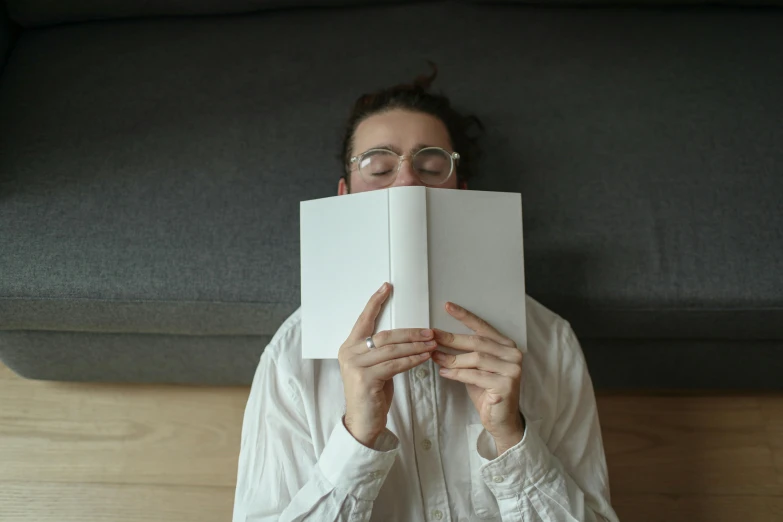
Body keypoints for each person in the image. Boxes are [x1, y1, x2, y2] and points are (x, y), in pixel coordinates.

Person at [232, 68, 619, 522]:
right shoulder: (293, 356)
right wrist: (357, 436)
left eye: (432, 167)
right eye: (378, 168)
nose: (406, 184)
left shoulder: (549, 340)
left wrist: (511, 437)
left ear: (461, 191)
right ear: (344, 196)